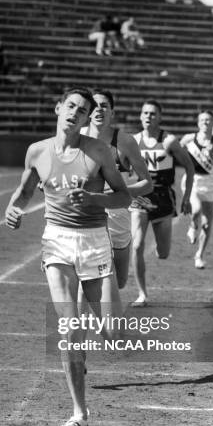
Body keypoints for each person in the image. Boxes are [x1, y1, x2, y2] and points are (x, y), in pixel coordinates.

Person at [5, 87, 130, 426]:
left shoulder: (99, 152)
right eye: (71, 105)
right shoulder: (38, 151)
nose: (75, 112)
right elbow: (25, 192)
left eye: (83, 109)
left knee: (113, 334)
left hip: (94, 243)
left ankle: (88, 335)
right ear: (58, 108)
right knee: (69, 328)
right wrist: (12, 210)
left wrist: (93, 198)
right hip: (57, 242)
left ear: (88, 118)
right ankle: (79, 412)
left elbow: (122, 197)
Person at [81, 89, 152, 297]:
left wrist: (118, 193)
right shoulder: (77, 137)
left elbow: (147, 183)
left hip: (117, 215)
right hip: (85, 214)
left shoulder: (125, 141)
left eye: (104, 106)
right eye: (94, 106)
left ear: (112, 111)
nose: (99, 110)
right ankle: (83, 323)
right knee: (85, 277)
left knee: (119, 282)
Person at [130, 100, 194, 306]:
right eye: (145, 113)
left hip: (163, 200)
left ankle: (160, 246)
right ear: (140, 116)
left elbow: (190, 167)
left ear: (160, 117)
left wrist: (186, 197)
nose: (148, 116)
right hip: (141, 199)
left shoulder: (169, 142)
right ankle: (142, 294)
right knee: (137, 245)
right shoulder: (132, 141)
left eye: (153, 113)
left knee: (163, 253)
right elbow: (117, 166)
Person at [180, 110, 213, 269]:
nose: (205, 122)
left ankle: (199, 255)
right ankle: (192, 225)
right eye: (202, 120)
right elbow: (175, 153)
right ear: (198, 123)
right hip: (193, 181)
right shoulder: (188, 139)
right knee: (196, 210)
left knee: (207, 224)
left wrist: (212, 154)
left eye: (209, 120)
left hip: (211, 183)